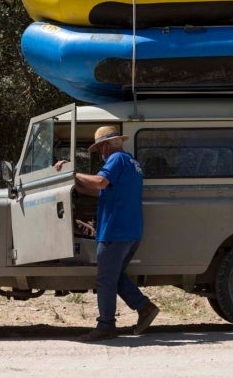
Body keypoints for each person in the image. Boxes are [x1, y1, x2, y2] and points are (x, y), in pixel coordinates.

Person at [55, 126, 159, 341]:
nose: (100, 155)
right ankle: (144, 307)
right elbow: (100, 190)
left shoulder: (116, 159)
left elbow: (100, 182)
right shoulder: (131, 162)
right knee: (115, 276)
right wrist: (76, 183)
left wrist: (72, 173)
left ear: (105, 146)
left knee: (105, 280)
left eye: (99, 150)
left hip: (115, 230)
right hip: (131, 231)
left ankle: (106, 326)